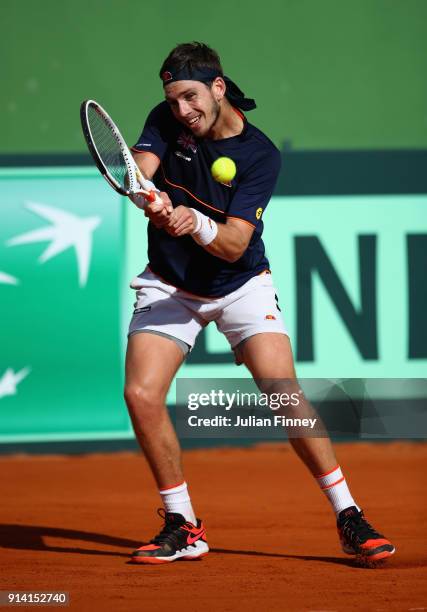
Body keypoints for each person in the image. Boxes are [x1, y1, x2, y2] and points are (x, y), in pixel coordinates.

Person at [124, 42, 395, 564]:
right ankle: (183, 524)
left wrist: (195, 221)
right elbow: (138, 169)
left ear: (218, 88)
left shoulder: (260, 155)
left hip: (240, 284)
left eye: (190, 97)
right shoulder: (166, 119)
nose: (182, 110)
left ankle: (349, 516)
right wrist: (146, 193)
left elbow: (233, 244)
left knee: (282, 392)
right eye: (173, 99)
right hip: (171, 284)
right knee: (140, 393)